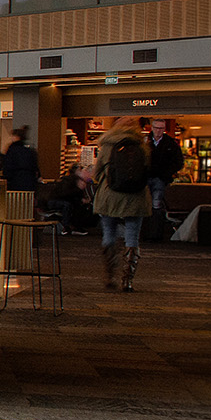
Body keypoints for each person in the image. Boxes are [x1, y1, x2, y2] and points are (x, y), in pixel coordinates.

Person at [88, 116, 152, 291]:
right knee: (132, 236)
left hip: (110, 196)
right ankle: (128, 280)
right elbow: (148, 170)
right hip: (136, 197)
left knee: (109, 232)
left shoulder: (107, 145)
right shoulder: (142, 146)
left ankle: (109, 275)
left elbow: (96, 172)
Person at [148, 120, 185, 213]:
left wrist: (166, 173)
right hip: (146, 177)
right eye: (156, 128)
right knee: (145, 204)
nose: (158, 131)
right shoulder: (144, 142)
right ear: (152, 128)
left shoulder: (170, 144)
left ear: (164, 129)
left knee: (156, 204)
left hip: (161, 178)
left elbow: (179, 161)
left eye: (161, 128)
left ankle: (155, 224)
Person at [3, 127, 40, 191]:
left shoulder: (12, 150)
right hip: (29, 180)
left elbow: (8, 165)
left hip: (15, 180)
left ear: (16, 137)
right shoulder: (29, 150)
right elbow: (35, 166)